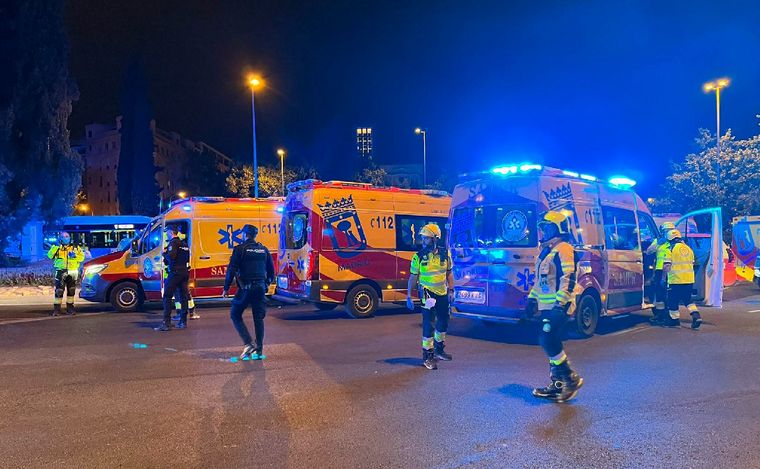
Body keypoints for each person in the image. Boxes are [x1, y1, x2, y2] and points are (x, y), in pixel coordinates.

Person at [528, 211, 583, 402]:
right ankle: (558, 385)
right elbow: (541, 281)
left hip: (558, 305)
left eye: (546, 228)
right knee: (549, 341)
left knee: (548, 339)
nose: (543, 232)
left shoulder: (564, 249)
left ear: (556, 229)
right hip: (547, 306)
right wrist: (532, 299)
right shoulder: (547, 252)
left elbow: (568, 278)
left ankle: (569, 378)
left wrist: (560, 304)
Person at [405, 223, 454, 370]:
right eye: (423, 238)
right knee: (429, 324)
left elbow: (449, 273)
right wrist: (409, 296)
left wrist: (451, 290)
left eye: (427, 238)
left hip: (442, 293)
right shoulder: (418, 257)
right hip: (427, 294)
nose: (424, 241)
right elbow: (413, 277)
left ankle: (439, 349)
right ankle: (427, 356)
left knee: (443, 322)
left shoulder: (445, 254)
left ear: (435, 239)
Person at [223, 224, 275, 360]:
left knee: (235, 314)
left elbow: (231, 270)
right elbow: (271, 271)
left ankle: (248, 343)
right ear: (255, 235)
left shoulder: (240, 249)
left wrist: (226, 287)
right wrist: (266, 284)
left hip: (246, 288)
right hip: (260, 288)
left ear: (244, 234)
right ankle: (259, 350)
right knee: (258, 318)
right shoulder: (263, 250)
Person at [662, 229, 702, 329]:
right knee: (687, 299)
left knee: (672, 300)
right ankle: (696, 315)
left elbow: (667, 265)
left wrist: (663, 278)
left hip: (675, 280)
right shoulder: (689, 249)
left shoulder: (670, 249)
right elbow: (695, 264)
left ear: (669, 239)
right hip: (688, 279)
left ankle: (674, 321)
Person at [155, 225, 190, 332]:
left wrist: (164, 254)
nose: (166, 234)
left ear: (171, 233)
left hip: (175, 272)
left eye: (167, 232)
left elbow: (171, 257)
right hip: (184, 272)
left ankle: (166, 323)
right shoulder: (184, 244)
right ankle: (183, 322)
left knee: (167, 296)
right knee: (184, 297)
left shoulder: (173, 243)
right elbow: (187, 258)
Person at [47, 231, 85, 316]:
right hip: (60, 271)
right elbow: (49, 256)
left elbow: (82, 258)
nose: (66, 238)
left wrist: (75, 256)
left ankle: (70, 308)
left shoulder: (75, 247)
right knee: (59, 291)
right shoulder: (56, 247)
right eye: (63, 236)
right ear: (60, 238)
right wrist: (55, 247)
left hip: (72, 271)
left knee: (71, 291)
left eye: (67, 236)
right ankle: (57, 309)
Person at [646, 221, 676, 324]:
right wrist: (658, 244)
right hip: (659, 271)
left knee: (670, 294)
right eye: (666, 231)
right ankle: (660, 314)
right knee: (659, 294)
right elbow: (648, 251)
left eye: (669, 231)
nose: (667, 233)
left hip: (671, 271)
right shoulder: (658, 241)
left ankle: (670, 315)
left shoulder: (675, 242)